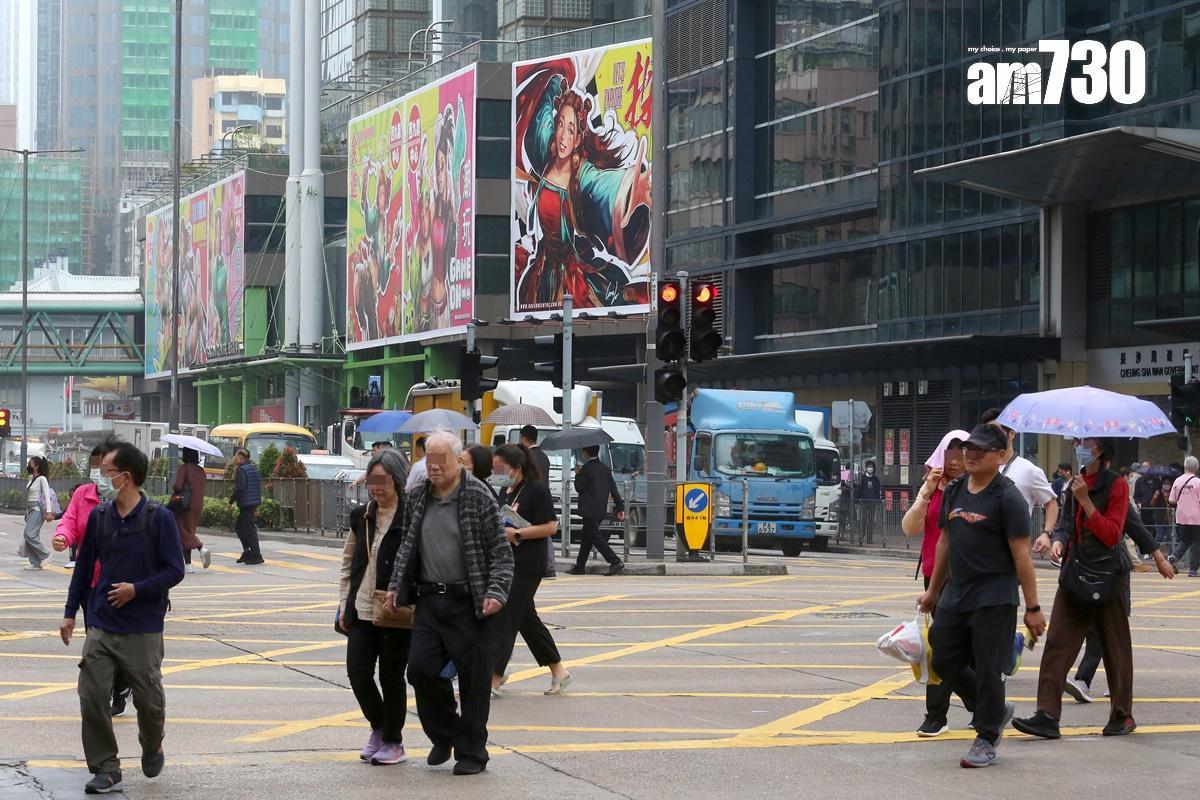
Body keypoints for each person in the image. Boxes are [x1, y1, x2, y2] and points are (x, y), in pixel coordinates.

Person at [59, 441, 186, 795]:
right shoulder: (100, 516)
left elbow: (175, 570)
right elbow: (83, 568)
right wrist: (70, 613)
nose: (101, 480)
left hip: (143, 626)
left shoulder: (157, 518)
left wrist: (137, 589)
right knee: (91, 693)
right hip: (101, 622)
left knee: (149, 701)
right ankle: (106, 767)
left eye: (107, 474)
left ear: (126, 477)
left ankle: (152, 744)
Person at [917, 424, 1047, 769]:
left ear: (1001, 456)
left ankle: (987, 737)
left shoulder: (1008, 497)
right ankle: (993, 709)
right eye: (968, 449)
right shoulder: (956, 489)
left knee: (989, 669)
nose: (971, 455)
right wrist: (932, 592)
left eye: (981, 450)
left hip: (995, 596)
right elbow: (945, 541)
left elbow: (1022, 556)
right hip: (955, 594)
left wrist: (1033, 608)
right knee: (942, 659)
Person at [385, 431, 513, 776]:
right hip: (429, 600)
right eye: (429, 459)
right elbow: (407, 547)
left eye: (440, 459)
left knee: (473, 681)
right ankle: (445, 734)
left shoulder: (478, 496)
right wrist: (397, 585)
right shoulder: (416, 496)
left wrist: (496, 592)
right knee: (421, 671)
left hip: (470, 603)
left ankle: (472, 753)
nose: (434, 466)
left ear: (458, 461)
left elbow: (501, 554)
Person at [1014, 437, 1137, 740]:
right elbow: (1066, 524)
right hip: (1074, 572)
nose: (1080, 446)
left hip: (1108, 575)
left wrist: (1086, 501)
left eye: (1088, 442)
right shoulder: (1075, 484)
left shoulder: (1116, 486)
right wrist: (1057, 540)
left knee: (1115, 647)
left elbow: (1111, 534)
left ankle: (1122, 715)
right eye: (1079, 441)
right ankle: (1046, 715)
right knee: (1057, 642)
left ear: (1102, 450)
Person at [338, 449, 412, 766]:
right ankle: (379, 728)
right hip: (362, 607)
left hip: (395, 610)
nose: (377, 488)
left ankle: (394, 741)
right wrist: (344, 602)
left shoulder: (410, 517)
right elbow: (348, 562)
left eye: (383, 481)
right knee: (357, 672)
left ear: (397, 479)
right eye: (372, 481)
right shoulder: (362, 516)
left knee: (392, 677)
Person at [1060, 501, 1174, 704]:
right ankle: (1105, 683)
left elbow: (1136, 527)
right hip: (1084, 570)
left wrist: (1159, 559)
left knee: (1110, 630)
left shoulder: (1115, 491)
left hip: (1112, 571)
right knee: (1095, 630)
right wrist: (1057, 541)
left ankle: (1089, 680)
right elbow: (1066, 524)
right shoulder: (1079, 490)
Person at [52, 437, 132, 716]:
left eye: (107, 468)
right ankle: (107, 686)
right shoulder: (82, 495)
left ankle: (122, 685)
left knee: (119, 639)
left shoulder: (129, 499)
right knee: (96, 637)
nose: (101, 474)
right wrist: (62, 536)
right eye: (97, 468)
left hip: (122, 583)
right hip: (90, 583)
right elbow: (70, 521)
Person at [900, 429, 969, 737]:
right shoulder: (933, 490)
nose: (955, 460)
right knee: (941, 645)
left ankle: (982, 706)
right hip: (936, 577)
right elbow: (909, 528)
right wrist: (926, 493)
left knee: (967, 648)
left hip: (971, 576)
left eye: (962, 452)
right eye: (950, 452)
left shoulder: (978, 487)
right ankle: (937, 714)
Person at [490, 444, 571, 697]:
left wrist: (517, 533)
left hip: (529, 562)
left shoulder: (536, 490)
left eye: (501, 468)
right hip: (508, 560)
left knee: (506, 617)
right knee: (526, 619)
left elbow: (550, 527)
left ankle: (494, 678)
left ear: (516, 468)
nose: (497, 473)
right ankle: (559, 671)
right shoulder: (506, 490)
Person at [979, 409, 1060, 540]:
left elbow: (1051, 504)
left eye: (996, 432)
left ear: (1011, 434)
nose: (991, 437)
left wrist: (1046, 533)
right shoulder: (980, 468)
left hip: (1014, 545)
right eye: (987, 432)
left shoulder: (1029, 470)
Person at [567, 445, 625, 576]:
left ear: (586, 452)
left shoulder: (586, 469)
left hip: (589, 509)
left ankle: (615, 561)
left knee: (594, 536)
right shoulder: (605, 469)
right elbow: (614, 489)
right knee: (587, 537)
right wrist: (620, 507)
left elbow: (579, 488)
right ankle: (580, 566)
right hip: (600, 508)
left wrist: (577, 474)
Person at [519, 424, 557, 579]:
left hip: (530, 498)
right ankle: (549, 567)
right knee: (544, 533)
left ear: (523, 438)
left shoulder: (527, 457)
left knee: (533, 533)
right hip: (544, 496)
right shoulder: (543, 456)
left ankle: (547, 567)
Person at [172, 448, 209, 574]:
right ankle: (188, 566)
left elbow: (177, 486)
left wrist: (174, 487)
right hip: (197, 505)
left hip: (185, 505)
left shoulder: (184, 468)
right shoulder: (201, 470)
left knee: (183, 532)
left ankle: (201, 547)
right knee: (187, 532)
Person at [227, 448, 264, 565]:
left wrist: (231, 501)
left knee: (248, 529)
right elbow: (256, 487)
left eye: (236, 457)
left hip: (246, 503)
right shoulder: (252, 468)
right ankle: (247, 551)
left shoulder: (242, 470)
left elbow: (240, 488)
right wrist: (256, 505)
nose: (234, 459)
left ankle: (256, 554)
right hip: (252, 503)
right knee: (241, 527)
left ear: (241, 458)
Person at [1168, 456, 1200, 577]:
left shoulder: (1177, 480)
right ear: (1196, 467)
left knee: (1185, 540)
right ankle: (1193, 570)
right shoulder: (1198, 482)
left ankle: (1174, 557)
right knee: (1197, 543)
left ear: (1185, 466)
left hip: (1181, 516)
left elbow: (1172, 500)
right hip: (1197, 517)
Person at [22, 456, 54, 570]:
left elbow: (46, 495)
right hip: (30, 509)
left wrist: (48, 512)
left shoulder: (42, 479)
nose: (29, 465)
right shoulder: (31, 478)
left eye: (31, 463)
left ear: (37, 466)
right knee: (30, 536)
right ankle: (35, 562)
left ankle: (46, 554)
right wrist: (27, 511)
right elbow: (29, 496)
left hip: (37, 509)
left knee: (29, 534)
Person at [854, 460, 882, 543]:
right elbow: (858, 490)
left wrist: (878, 501)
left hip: (872, 502)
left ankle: (869, 538)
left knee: (871, 521)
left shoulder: (876, 480)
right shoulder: (862, 478)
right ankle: (861, 536)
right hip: (863, 502)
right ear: (866, 468)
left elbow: (878, 491)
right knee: (862, 519)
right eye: (869, 467)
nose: (870, 468)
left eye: (872, 467)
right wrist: (857, 500)